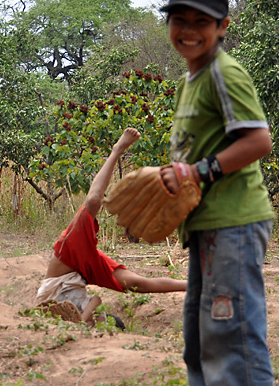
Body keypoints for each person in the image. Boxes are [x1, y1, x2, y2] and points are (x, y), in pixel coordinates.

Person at [158, 0, 276, 386]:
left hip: (235, 225)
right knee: (200, 343)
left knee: (232, 343)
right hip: (208, 227)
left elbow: (259, 140)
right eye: (179, 19)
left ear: (222, 26)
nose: (189, 31)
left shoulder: (223, 73)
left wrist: (197, 172)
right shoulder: (191, 80)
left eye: (202, 22)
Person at [35, 127, 187, 328]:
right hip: (55, 295)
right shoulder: (77, 243)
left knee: (116, 308)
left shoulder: (95, 262)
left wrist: (190, 285)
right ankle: (74, 316)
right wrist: (118, 150)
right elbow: (93, 198)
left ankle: (73, 317)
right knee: (94, 201)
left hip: (70, 302)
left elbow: (139, 284)